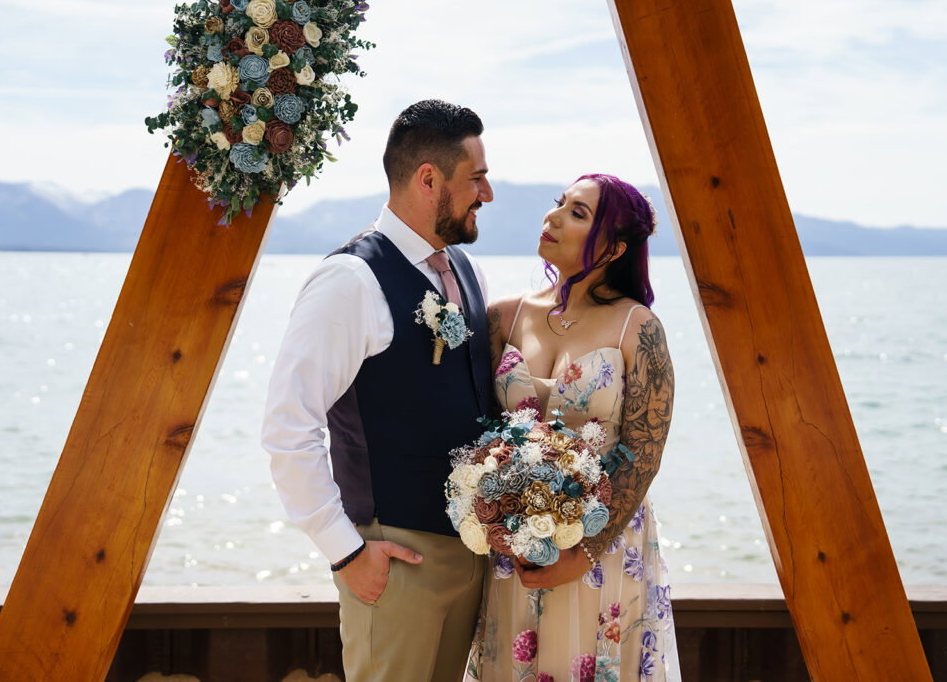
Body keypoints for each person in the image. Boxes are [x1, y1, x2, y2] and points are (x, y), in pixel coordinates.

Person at [262, 99, 495, 682]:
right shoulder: (350, 279)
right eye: (477, 179)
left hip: (471, 557)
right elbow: (288, 426)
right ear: (428, 179)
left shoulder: (466, 272)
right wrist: (345, 551)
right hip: (394, 559)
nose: (486, 194)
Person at [466, 174, 681, 681]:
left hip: (601, 552)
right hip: (515, 547)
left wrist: (583, 553)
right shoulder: (503, 317)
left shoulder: (638, 328)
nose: (554, 217)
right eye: (558, 204)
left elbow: (644, 450)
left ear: (614, 247)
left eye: (578, 213)